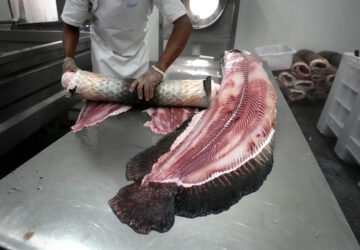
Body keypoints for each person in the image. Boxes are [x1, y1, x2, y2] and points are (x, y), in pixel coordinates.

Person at [61, 0, 192, 101]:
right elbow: (71, 23)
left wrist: (159, 69)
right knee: (104, 110)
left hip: (138, 56)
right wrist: (68, 58)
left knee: (139, 103)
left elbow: (183, 23)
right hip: (103, 56)